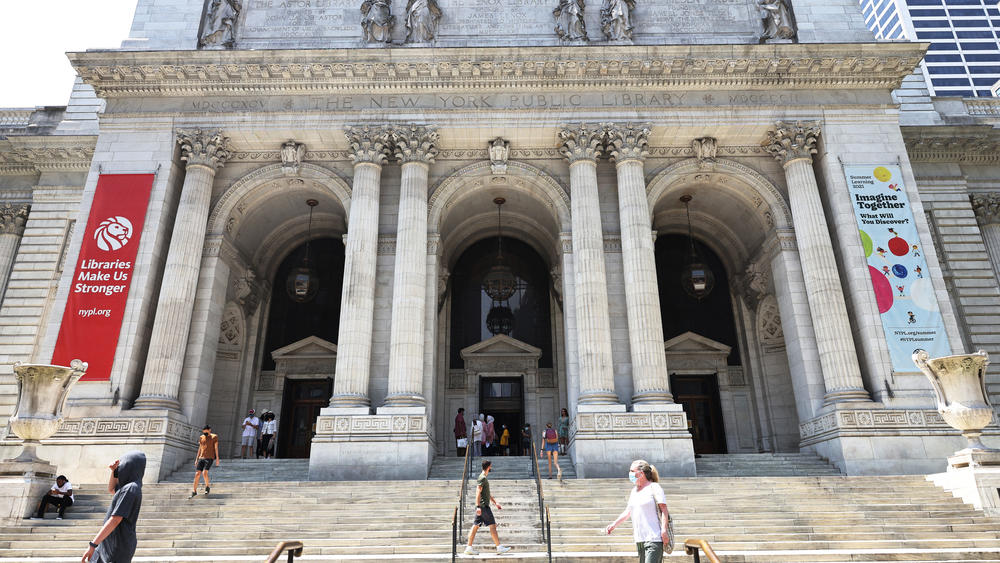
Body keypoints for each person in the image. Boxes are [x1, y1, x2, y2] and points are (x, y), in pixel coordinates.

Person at [82, 451, 146, 563]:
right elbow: (111, 489)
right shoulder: (128, 487)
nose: (120, 469)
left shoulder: (131, 489)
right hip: (110, 544)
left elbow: (115, 519)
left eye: (122, 466)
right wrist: (114, 472)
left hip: (118, 546)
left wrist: (93, 545)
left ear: (129, 467)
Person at [604, 460, 673, 563]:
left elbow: (664, 510)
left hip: (654, 538)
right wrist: (614, 525)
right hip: (640, 540)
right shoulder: (634, 491)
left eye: (632, 471)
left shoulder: (654, 487)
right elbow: (628, 511)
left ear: (641, 473)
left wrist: (664, 530)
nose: (630, 474)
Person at [463, 460, 512, 556]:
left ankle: (469, 548)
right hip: (483, 506)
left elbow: (487, 493)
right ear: (489, 467)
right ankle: (499, 547)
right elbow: (478, 491)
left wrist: (495, 502)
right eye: (491, 467)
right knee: (492, 525)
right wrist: (478, 506)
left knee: (475, 526)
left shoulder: (484, 478)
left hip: (482, 506)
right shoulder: (482, 478)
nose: (491, 468)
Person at [191, 425, 219, 498]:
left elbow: (216, 448)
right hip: (201, 458)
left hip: (210, 458)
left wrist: (217, 459)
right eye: (204, 433)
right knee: (197, 474)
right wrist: (196, 459)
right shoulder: (201, 437)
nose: (205, 434)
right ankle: (194, 491)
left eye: (206, 433)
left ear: (209, 430)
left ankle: (207, 486)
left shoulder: (214, 437)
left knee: (204, 472)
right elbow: (200, 449)